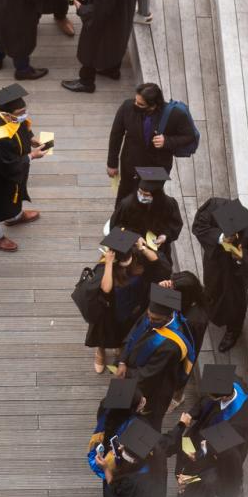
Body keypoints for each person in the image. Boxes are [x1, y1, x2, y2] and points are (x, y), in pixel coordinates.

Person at [171, 364, 248, 497]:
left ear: (223, 397)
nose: (207, 397)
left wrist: (201, 453)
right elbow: (204, 402)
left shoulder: (240, 422)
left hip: (218, 456)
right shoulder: (231, 383)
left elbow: (224, 451)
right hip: (205, 435)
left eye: (212, 396)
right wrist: (192, 415)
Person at [84, 230, 171, 374]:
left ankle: (119, 346)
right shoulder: (106, 266)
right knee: (104, 332)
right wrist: (109, 264)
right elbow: (106, 289)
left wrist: (142, 247)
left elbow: (157, 262)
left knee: (127, 330)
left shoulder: (138, 256)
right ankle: (100, 351)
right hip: (111, 309)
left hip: (134, 305)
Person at [192, 198, 248, 352]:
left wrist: (243, 257)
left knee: (235, 303)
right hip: (214, 261)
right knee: (211, 287)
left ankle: (233, 330)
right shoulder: (215, 207)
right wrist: (220, 238)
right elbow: (199, 226)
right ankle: (211, 309)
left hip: (237, 273)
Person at [0, 83, 47, 252]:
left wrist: (30, 138)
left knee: (16, 190)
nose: (23, 115)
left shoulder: (3, 109)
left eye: (24, 111)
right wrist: (31, 156)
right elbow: (7, 166)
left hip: (14, 167)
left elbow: (20, 125)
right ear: (7, 115)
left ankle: (14, 216)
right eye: (19, 113)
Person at [106, 83, 199, 198]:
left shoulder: (174, 115)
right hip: (130, 163)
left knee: (144, 198)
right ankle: (119, 216)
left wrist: (167, 141)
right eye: (135, 100)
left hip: (156, 167)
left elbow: (189, 136)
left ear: (153, 105)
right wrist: (112, 163)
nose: (135, 105)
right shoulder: (127, 107)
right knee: (125, 195)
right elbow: (116, 134)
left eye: (140, 104)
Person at [117, 284, 193, 421]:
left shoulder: (171, 345)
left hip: (148, 385)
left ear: (169, 316)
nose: (150, 321)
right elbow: (133, 334)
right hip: (129, 368)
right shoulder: (152, 315)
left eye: (155, 319)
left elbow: (149, 373)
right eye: (149, 316)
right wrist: (122, 360)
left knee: (134, 414)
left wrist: (126, 372)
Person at [108, 167, 184, 267]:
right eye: (140, 192)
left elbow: (175, 224)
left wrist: (165, 236)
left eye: (146, 194)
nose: (142, 197)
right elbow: (115, 227)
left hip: (158, 250)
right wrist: (134, 237)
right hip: (132, 251)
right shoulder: (127, 204)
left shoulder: (169, 204)